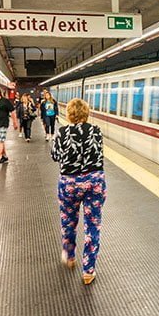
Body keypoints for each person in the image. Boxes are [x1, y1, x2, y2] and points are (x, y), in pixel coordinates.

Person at [50, 98, 105, 285]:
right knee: (93, 226)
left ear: (70, 114)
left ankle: (70, 256)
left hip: (69, 184)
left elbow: (55, 156)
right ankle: (89, 271)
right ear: (86, 113)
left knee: (68, 221)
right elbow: (99, 154)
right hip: (94, 182)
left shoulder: (62, 132)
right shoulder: (96, 130)